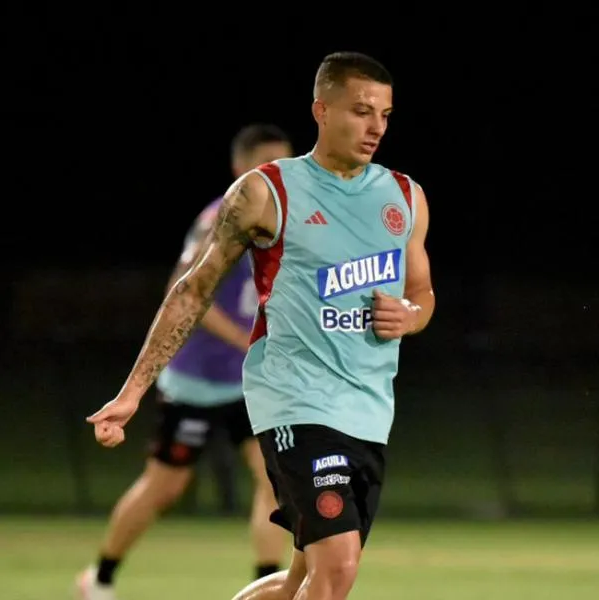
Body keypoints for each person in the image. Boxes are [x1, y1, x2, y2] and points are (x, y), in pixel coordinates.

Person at [87, 51, 435, 600]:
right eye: (361, 110)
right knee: (337, 569)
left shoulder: (405, 196)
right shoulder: (265, 192)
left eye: (386, 114)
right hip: (294, 399)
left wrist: (411, 317)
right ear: (321, 110)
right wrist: (133, 392)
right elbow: (192, 290)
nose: (376, 127)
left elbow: (422, 293)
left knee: (301, 578)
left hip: (368, 410)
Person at [77, 124, 293, 600]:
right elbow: (188, 289)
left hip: (246, 383)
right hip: (195, 381)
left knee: (275, 480)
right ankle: (100, 579)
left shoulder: (290, 217)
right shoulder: (222, 214)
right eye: (267, 164)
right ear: (241, 170)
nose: (277, 175)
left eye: (284, 164)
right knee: (164, 488)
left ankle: (266, 583)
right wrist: (244, 337)